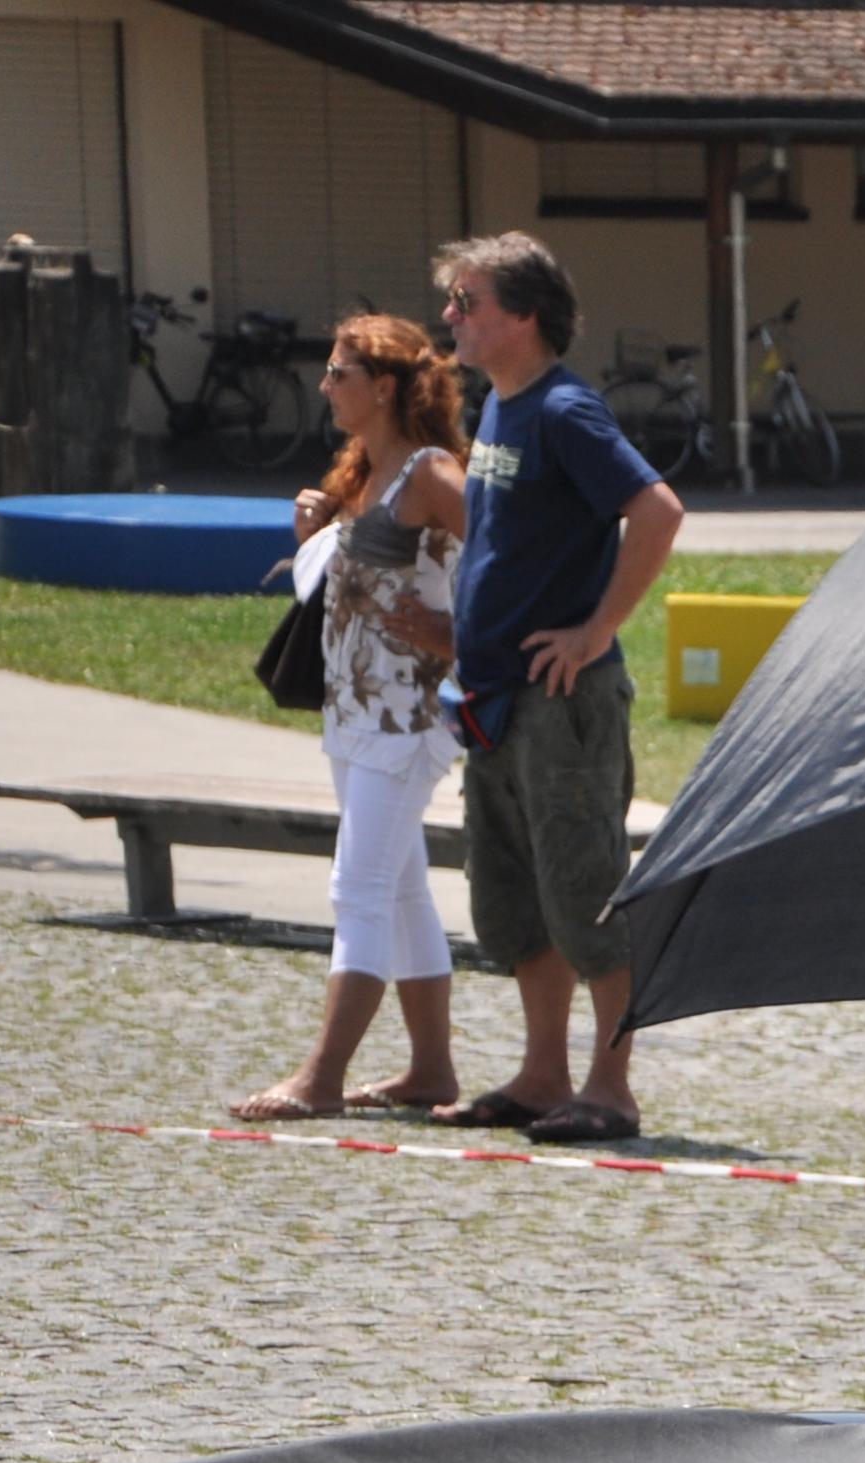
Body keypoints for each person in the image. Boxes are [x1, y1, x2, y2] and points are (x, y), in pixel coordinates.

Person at [426, 232, 684, 1147]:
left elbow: (657, 511)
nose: (451, 317)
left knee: (584, 892)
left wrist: (596, 629)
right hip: (497, 699)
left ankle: (611, 1090)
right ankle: (543, 1077)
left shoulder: (566, 410)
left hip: (561, 703)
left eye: (469, 302)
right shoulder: (501, 406)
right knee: (516, 902)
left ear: (525, 317)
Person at [233, 315, 469, 1122]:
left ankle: (322, 1077)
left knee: (357, 887)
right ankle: (431, 1071)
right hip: (354, 707)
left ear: (386, 387)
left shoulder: (431, 473)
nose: (325, 386)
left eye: (339, 374)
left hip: (407, 715)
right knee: (399, 889)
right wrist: (315, 534)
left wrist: (458, 635)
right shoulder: (365, 469)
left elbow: (508, 555)